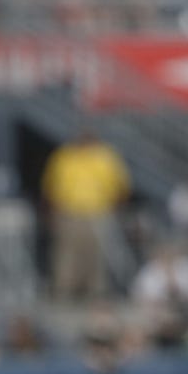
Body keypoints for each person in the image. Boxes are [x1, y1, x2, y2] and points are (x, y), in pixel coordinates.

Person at [41, 128, 131, 300]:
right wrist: (51, 213)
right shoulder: (64, 156)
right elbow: (49, 187)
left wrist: (116, 211)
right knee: (67, 255)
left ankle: (96, 294)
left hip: (99, 212)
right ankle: (65, 292)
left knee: (97, 255)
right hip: (69, 213)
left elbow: (122, 187)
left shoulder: (106, 156)